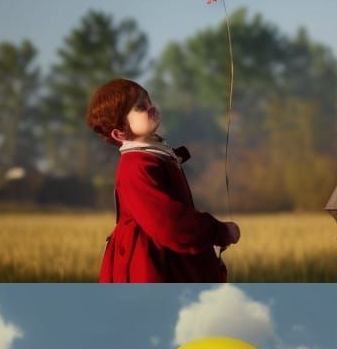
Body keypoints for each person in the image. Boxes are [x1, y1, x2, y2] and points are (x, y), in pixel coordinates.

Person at [86, 79, 239, 283]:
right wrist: (218, 231)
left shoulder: (153, 156)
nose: (151, 107)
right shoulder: (136, 165)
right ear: (120, 132)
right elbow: (169, 222)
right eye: (141, 107)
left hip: (165, 260)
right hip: (149, 268)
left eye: (149, 102)